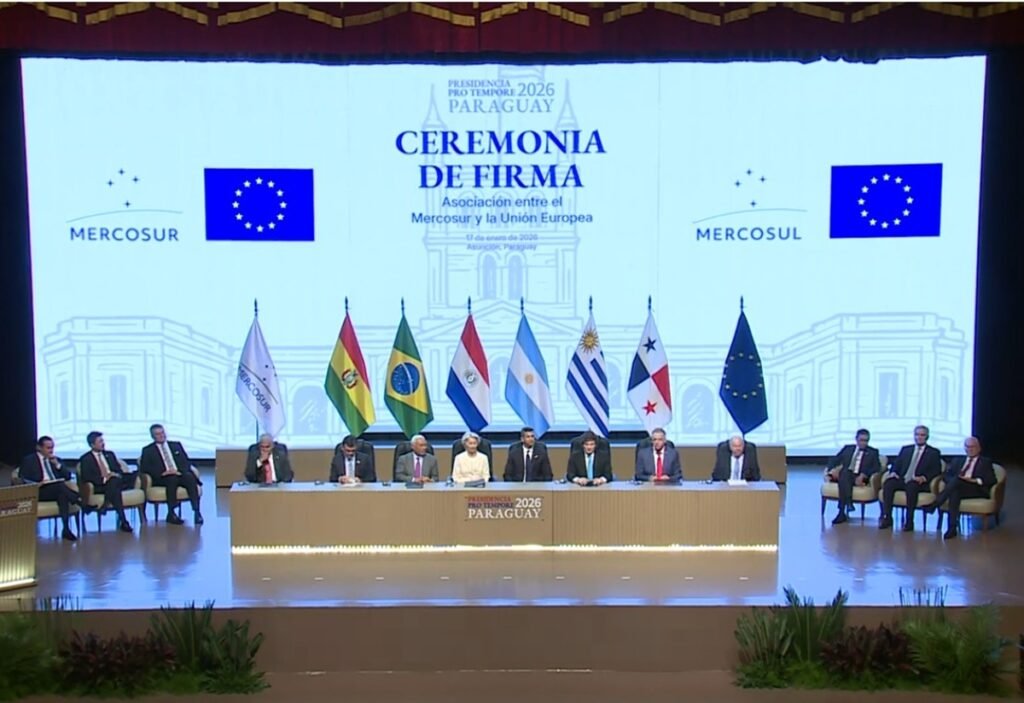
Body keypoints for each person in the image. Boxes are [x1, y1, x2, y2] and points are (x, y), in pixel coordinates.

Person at [926, 436, 997, 540]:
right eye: (967, 447)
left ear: (979, 448)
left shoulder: (985, 462)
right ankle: (952, 528)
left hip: (975, 489)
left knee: (957, 481)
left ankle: (936, 504)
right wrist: (956, 481)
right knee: (955, 491)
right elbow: (946, 476)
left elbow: (992, 479)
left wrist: (975, 480)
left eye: (972, 447)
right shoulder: (958, 460)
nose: (970, 449)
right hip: (959, 488)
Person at [879, 425, 942, 531]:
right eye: (917, 435)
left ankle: (909, 521)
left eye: (922, 435)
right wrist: (894, 472)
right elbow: (896, 464)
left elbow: (936, 470)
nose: (919, 437)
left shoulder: (933, 452)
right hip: (903, 479)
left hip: (918, 481)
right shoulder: (906, 449)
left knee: (911, 486)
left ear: (927, 437)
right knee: (889, 483)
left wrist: (924, 478)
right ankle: (887, 517)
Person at [19, 436, 82, 541]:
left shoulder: (55, 460)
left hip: (55, 490)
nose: (51, 450)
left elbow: (67, 476)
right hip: (39, 491)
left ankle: (66, 529)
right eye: (48, 448)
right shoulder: (29, 460)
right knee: (60, 486)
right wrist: (37, 484)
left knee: (62, 495)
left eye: (52, 447)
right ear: (39, 448)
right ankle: (79, 500)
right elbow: (22, 479)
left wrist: (57, 465)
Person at [140, 424, 203, 525]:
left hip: (179, 473)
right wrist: (163, 472)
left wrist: (179, 471)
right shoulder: (148, 450)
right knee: (172, 479)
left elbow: (186, 461)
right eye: (158, 434)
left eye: (162, 433)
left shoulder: (176, 445)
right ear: (153, 436)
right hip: (162, 477)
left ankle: (197, 512)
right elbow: (145, 467)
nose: (161, 435)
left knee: (189, 477)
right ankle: (171, 513)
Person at [77, 431, 136, 533]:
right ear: (92, 445)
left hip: (115, 481)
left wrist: (114, 474)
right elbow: (87, 477)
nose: (103, 443)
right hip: (101, 485)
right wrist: (105, 478)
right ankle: (123, 521)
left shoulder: (110, 454)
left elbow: (118, 470)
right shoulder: (86, 459)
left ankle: (106, 504)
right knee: (115, 488)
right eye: (100, 441)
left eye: (103, 441)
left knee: (128, 476)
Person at [824, 429, 881, 525]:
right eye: (861, 440)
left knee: (843, 476)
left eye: (866, 441)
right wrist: (830, 469)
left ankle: (842, 511)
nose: (864, 443)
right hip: (846, 475)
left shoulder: (873, 452)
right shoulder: (848, 448)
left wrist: (864, 474)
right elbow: (835, 459)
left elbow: (877, 467)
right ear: (856, 439)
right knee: (845, 474)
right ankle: (848, 504)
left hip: (860, 478)